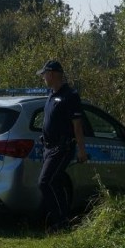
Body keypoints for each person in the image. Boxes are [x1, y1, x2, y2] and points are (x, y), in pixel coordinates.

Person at [36, 60, 88, 230]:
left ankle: (62, 222)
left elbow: (77, 125)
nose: (43, 77)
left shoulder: (70, 95)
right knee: (54, 183)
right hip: (48, 148)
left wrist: (81, 150)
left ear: (51, 74)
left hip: (63, 147)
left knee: (46, 182)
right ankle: (59, 219)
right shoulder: (51, 94)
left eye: (44, 74)